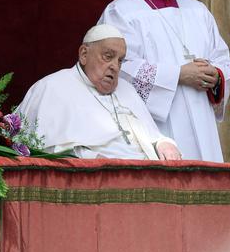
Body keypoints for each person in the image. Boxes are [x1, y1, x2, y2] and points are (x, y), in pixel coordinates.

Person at [98, 0, 230, 162]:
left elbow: (224, 59)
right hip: (157, 127)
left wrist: (216, 74)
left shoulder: (198, 11)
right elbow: (117, 69)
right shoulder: (121, 12)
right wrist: (177, 75)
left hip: (203, 122)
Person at [19, 24, 182, 160]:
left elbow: (152, 135)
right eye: (108, 56)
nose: (115, 66)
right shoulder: (52, 87)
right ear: (84, 54)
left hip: (144, 172)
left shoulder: (126, 89)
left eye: (120, 60)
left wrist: (163, 142)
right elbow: (46, 149)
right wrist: (91, 158)